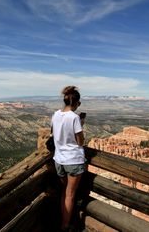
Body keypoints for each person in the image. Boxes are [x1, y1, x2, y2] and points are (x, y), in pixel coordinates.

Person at [51, 86, 85, 231]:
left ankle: (62, 221)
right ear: (76, 102)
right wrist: (81, 125)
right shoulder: (75, 117)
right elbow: (80, 142)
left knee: (64, 192)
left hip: (59, 160)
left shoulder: (55, 114)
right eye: (79, 103)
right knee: (70, 195)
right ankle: (65, 226)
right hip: (73, 160)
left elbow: (54, 133)